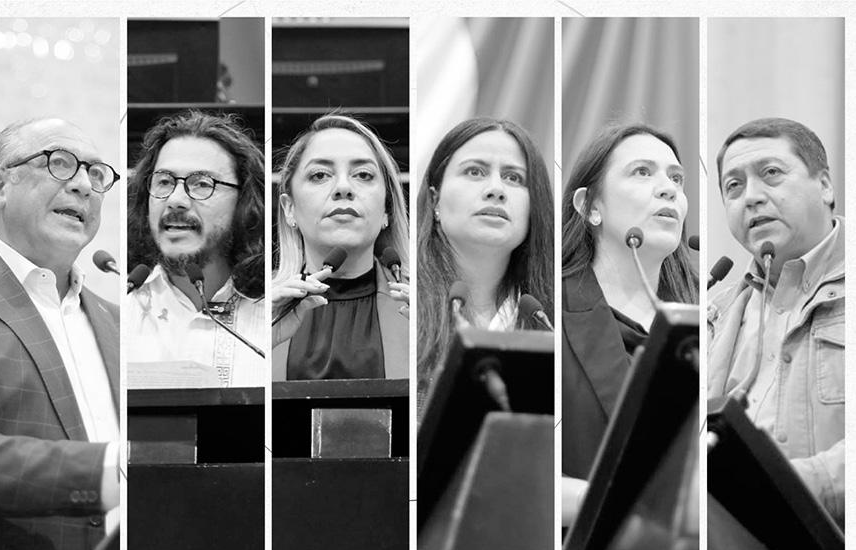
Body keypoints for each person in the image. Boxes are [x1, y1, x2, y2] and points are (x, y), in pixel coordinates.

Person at [0, 118, 121, 550]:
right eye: (59, 163)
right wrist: (107, 471)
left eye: (96, 174)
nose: (83, 185)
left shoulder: (117, 322)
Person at [708, 117, 844, 527]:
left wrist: (786, 488)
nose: (751, 197)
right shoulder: (715, 313)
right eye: (734, 186)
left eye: (770, 173)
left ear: (825, 185)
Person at [561, 124, 697, 521]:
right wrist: (626, 505)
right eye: (642, 172)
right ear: (590, 206)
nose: (668, 189)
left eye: (676, 179)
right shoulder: (545, 312)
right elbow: (517, 480)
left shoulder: (705, 321)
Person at [417, 118, 554, 417]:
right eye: (475, 172)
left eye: (514, 178)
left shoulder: (553, 320)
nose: (496, 190)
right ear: (435, 199)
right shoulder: (404, 304)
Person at [126, 110, 266, 387]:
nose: (175, 200)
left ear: (243, 202)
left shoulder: (273, 315)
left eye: (202, 184)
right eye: (164, 182)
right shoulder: (123, 310)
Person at [272, 114, 410, 381]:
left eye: (363, 175)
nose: (343, 187)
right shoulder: (260, 309)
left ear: (387, 210)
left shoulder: (420, 307)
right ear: (289, 209)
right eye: (320, 175)